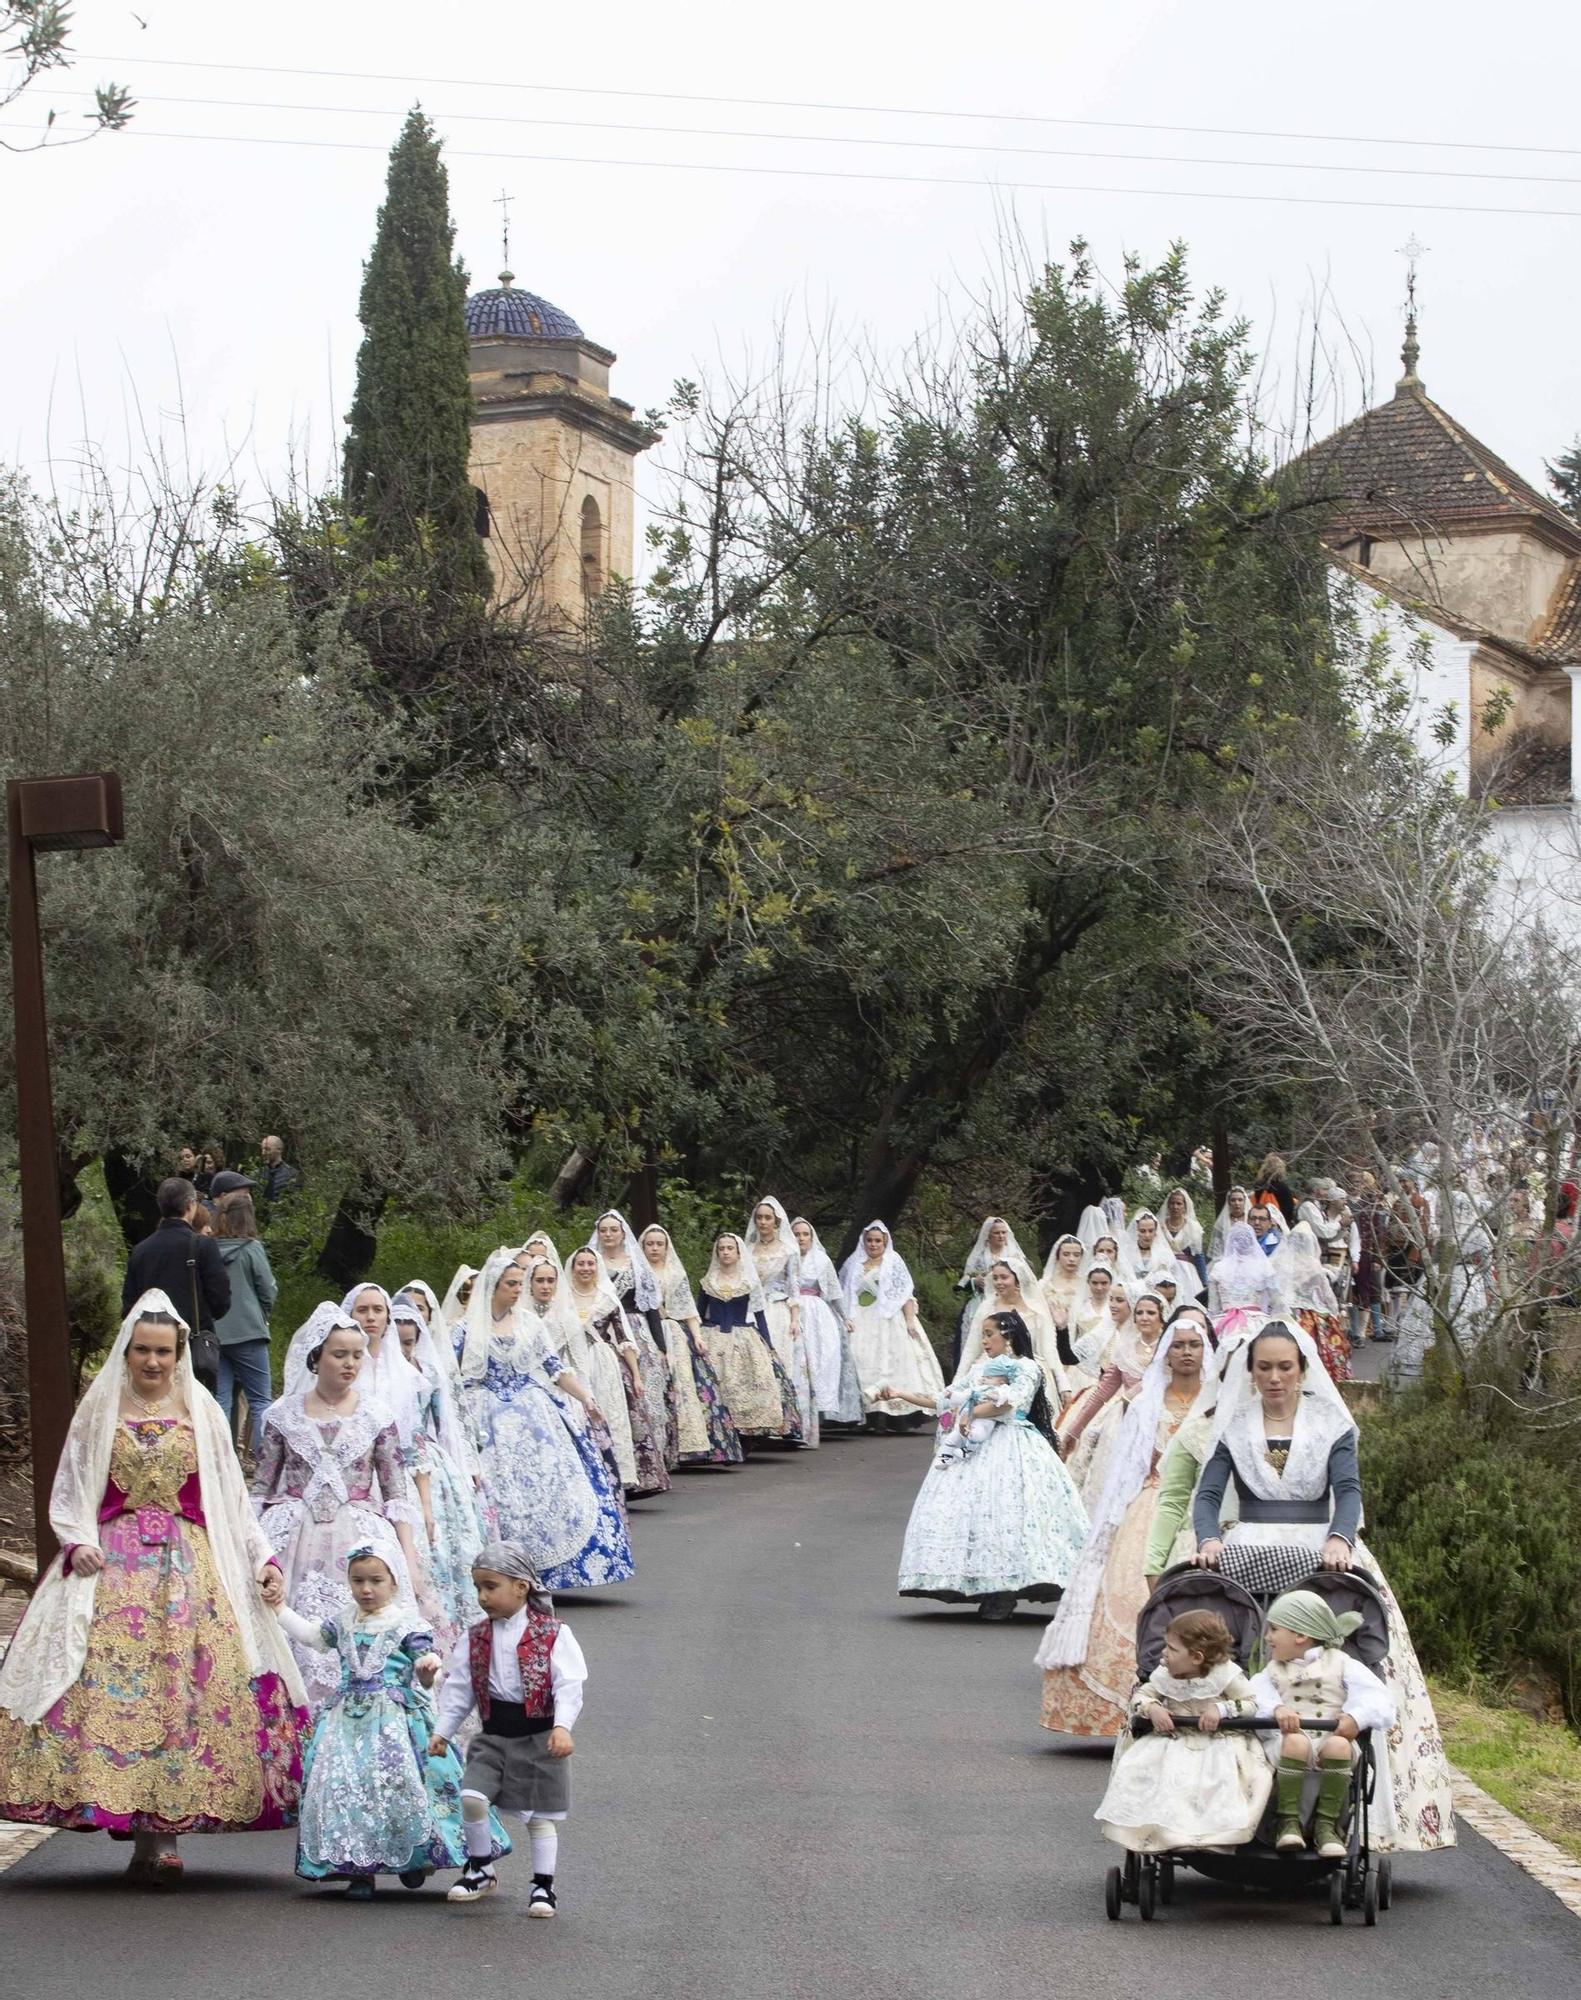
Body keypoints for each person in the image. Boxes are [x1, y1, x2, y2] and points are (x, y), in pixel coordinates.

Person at [0, 1290, 305, 1879]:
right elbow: (69, 1488)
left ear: (179, 1353)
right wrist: (78, 1539)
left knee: (182, 1695)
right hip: (111, 1572)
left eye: (163, 1351)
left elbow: (232, 1502)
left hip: (190, 1571)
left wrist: (262, 1559)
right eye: (143, 1350)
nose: (153, 1362)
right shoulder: (101, 1410)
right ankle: (139, 1833)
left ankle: (162, 1841)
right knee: (117, 1695)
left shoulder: (203, 1413)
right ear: (128, 1350)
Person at [1189, 1324, 1455, 1851]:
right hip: (1251, 1544)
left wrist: (1340, 1536)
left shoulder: (1332, 1422)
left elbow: (1348, 1491)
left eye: (1284, 1367)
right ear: (1250, 1372)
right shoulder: (1234, 1425)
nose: (1274, 1377)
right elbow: (1209, 1495)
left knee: (1349, 1646)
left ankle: (1339, 1796)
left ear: (1302, 1370)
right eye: (1263, 1367)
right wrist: (1206, 1538)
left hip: (1319, 1545)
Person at [282, 1537, 508, 1896]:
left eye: (376, 1580)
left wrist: (426, 1669)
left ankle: (414, 1856)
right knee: (347, 1788)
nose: (367, 1589)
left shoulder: (406, 1624)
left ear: (394, 1582)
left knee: (402, 1785)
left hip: (396, 1722)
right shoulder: (342, 1622)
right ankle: (360, 1871)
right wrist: (278, 1608)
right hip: (346, 1721)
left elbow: (423, 1661)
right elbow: (312, 1637)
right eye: (358, 1581)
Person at [1036, 1317, 1206, 1737]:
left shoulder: (1218, 1403)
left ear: (1205, 1352)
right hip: (1152, 1499)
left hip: (1202, 1507)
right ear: (1166, 1352)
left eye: (1194, 1345)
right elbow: (1128, 1464)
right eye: (1179, 1345)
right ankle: (1127, 1706)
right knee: (1131, 1594)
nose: (1186, 1352)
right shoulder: (1146, 1399)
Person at [253, 1308, 427, 1711]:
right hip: (292, 1533)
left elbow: (395, 1493)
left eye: (356, 1355)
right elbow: (262, 1487)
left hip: (361, 1536)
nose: (349, 1363)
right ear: (317, 1357)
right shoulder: (281, 1415)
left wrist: (410, 1561)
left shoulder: (377, 1416)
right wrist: (256, 1551)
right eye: (339, 1354)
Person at [892, 1310, 1088, 1620]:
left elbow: (1012, 1402)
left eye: (989, 1334)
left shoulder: (1028, 1367)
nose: (984, 1341)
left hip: (1014, 1444)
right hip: (975, 1446)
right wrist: (902, 1393)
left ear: (1007, 1336)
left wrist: (974, 1414)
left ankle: (1005, 1592)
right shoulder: (978, 1370)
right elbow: (949, 1398)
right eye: (982, 1334)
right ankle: (984, 1587)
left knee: (1011, 1513)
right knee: (971, 1514)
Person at [456, 1249, 634, 1590]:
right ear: (492, 1286)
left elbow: (555, 1368)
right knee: (499, 1491)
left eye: (518, 1284)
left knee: (552, 1486)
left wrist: (585, 1397)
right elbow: (450, 1375)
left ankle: (552, 1569)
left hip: (532, 1412)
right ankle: (501, 1571)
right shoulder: (466, 1329)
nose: (516, 1289)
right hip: (485, 1417)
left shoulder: (529, 1324)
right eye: (510, 1284)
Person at [429, 1543, 588, 1913]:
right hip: (494, 1735)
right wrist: (443, 1731)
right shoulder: (476, 1636)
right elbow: (459, 1688)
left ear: (521, 1587)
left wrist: (562, 1726)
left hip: (538, 1735)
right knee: (471, 1796)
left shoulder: (552, 1634)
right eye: (478, 1588)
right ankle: (481, 1868)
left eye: (491, 1586)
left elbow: (569, 1684)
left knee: (540, 1817)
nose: (483, 1596)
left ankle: (543, 1886)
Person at [1093, 1609, 1270, 1855]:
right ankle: (1163, 1834)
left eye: (1172, 1649)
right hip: (1175, 1739)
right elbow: (1140, 1697)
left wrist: (1223, 1709)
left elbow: (1252, 1703)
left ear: (1197, 1657)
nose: (1164, 1654)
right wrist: (1152, 1708)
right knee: (1153, 1773)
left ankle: (1211, 1836)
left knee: (1221, 1782)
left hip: (1219, 1742)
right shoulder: (1164, 1675)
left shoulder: (1226, 1675)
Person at [1252, 1590, 1394, 1859]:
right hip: (1289, 1743)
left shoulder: (1342, 1664)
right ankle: (1288, 1822)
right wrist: (1276, 1708)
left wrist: (1356, 1717)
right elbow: (1252, 1697)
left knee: (1340, 1745)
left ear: (1300, 1636)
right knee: (1294, 1741)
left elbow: (1379, 1698)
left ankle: (1327, 1826)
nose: (1267, 1637)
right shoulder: (1272, 1670)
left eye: (1273, 1629)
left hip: (1329, 1740)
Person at [391, 1298, 488, 1646]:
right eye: (397, 1340)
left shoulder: (428, 1372)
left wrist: (464, 1468)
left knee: (439, 1539)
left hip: (426, 1461)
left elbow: (441, 1424)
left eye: (408, 1341)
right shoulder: (379, 1373)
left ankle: (447, 1614)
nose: (403, 1348)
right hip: (391, 1462)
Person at [639, 1226, 744, 1466]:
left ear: (666, 1247)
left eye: (659, 1244)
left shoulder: (675, 1274)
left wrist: (697, 1337)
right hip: (645, 1331)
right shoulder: (636, 1273)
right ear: (643, 1247)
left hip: (673, 1332)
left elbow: (688, 1310)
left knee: (683, 1385)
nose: (654, 1248)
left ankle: (687, 1445)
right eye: (650, 1244)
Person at [563, 1244, 661, 1493]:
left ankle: (614, 1475)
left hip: (603, 1361)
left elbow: (623, 1338)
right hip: (572, 1363)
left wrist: (636, 1376)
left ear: (597, 1268)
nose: (585, 1268)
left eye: (590, 1263)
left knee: (609, 1415)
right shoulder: (561, 1300)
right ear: (573, 1268)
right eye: (581, 1264)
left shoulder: (607, 1299)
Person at [121, 1176, 230, 1395]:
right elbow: (221, 1301)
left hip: (150, 1353)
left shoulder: (141, 1250)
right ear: (191, 1205)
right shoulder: (202, 1246)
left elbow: (128, 1308)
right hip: (191, 1348)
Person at [697, 1234, 801, 1445]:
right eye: (722, 1248)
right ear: (717, 1253)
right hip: (713, 1337)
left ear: (738, 1253)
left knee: (746, 1383)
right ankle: (719, 1433)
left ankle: (745, 1434)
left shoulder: (748, 1282)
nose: (726, 1252)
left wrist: (768, 1345)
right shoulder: (708, 1282)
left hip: (743, 1336)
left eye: (730, 1248)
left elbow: (760, 1314)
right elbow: (699, 1314)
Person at [840, 1221, 944, 1429]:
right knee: (859, 1360)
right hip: (860, 1319)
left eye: (878, 1240)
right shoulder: (854, 1263)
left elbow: (905, 1295)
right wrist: (846, 1318)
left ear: (885, 1242)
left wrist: (910, 1321)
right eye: (869, 1240)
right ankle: (863, 1414)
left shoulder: (894, 1261)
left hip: (888, 1318)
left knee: (890, 1362)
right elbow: (843, 1293)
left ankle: (893, 1415)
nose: (873, 1244)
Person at [212, 1187, 277, 1454]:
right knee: (261, 1400)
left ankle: (224, 1464)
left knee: (221, 1400)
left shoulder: (208, 1249)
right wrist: (263, 1313)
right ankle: (265, 1465)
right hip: (249, 1332)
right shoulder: (252, 1249)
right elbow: (268, 1289)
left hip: (216, 1333)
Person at [954, 1258, 1068, 1406]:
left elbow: (1050, 1350)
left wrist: (1063, 1385)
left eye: (1004, 1277)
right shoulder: (987, 1308)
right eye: (995, 1278)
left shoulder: (1037, 1310)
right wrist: (957, 1382)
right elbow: (971, 1349)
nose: (998, 1282)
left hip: (1028, 1373)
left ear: (1017, 1279)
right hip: (992, 1373)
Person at [791, 1217, 864, 1426]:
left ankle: (822, 1414)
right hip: (791, 1311)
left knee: (822, 1360)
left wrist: (845, 1316)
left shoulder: (822, 1261)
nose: (801, 1238)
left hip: (817, 1313)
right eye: (797, 1234)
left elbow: (834, 1292)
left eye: (805, 1234)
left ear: (812, 1238)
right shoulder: (784, 1258)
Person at [1268, 1220, 1351, 1384]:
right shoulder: (1313, 1266)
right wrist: (1334, 1313)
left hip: (1284, 1315)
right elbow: (1328, 1298)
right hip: (1309, 1318)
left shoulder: (1278, 1263)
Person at [1206, 1220, 1276, 1346]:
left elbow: (1214, 1308)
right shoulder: (1264, 1268)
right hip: (1257, 1322)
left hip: (1224, 1324)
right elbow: (1268, 1304)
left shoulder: (1218, 1268)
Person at [1256, 1153, 1298, 1227]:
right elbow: (1288, 1210)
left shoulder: (1258, 1186)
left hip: (1260, 1223)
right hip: (1278, 1225)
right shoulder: (1283, 1188)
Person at [258, 1134, 303, 1203]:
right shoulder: (257, 1174)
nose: (263, 1153)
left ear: (279, 1150)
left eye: (267, 1149)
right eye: (262, 1149)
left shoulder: (292, 1174)